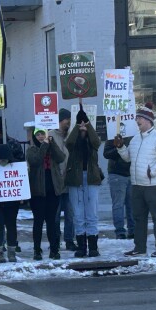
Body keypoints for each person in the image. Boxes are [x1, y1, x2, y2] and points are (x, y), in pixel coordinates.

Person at [115, 103, 156, 257]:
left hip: (153, 186)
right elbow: (128, 158)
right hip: (137, 185)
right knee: (139, 218)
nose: (137, 120)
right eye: (136, 118)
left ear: (148, 121)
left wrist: (152, 172)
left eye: (139, 118)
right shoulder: (135, 139)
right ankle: (139, 247)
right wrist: (120, 147)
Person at [65, 106, 102, 258]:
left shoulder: (92, 145)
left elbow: (96, 141)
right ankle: (81, 246)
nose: (82, 130)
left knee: (92, 214)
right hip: (76, 180)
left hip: (91, 179)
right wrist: (76, 125)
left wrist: (87, 123)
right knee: (78, 215)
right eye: (81, 127)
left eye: (84, 127)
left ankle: (93, 246)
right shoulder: (73, 146)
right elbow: (69, 142)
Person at [27, 128, 66, 260]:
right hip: (38, 191)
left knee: (52, 221)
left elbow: (61, 157)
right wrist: (44, 146)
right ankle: (37, 250)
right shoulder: (31, 150)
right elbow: (36, 161)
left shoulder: (51, 147)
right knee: (38, 221)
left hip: (53, 189)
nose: (40, 136)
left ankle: (54, 249)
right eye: (37, 134)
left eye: (42, 134)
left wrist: (52, 144)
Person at [0, 116, 24, 253]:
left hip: (7, 192)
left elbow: (20, 167)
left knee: (8, 224)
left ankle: (8, 246)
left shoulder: (12, 145)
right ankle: (2, 246)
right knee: (3, 224)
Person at [48, 108, 77, 251]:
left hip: (69, 180)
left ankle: (69, 240)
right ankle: (55, 240)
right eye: (67, 120)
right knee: (55, 214)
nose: (69, 123)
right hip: (56, 181)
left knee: (70, 214)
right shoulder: (51, 135)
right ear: (61, 120)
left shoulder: (71, 135)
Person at [0, 144, 21, 263]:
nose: (2, 162)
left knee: (11, 226)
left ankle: (11, 252)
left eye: (5, 159)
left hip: (11, 202)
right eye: (0, 159)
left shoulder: (16, 167)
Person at [104, 134, 135, 239]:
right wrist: (118, 147)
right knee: (118, 204)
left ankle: (133, 230)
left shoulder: (134, 133)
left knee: (132, 204)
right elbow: (106, 153)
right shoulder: (113, 132)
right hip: (117, 173)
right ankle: (120, 231)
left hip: (132, 173)